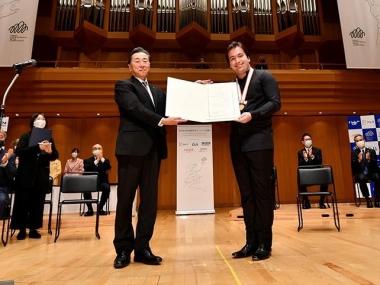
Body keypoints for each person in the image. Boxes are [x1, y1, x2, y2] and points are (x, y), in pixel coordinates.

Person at [113, 47, 185, 269]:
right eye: (137, 61)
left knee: (149, 203)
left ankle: (143, 248)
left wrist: (196, 89)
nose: (142, 64)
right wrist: (162, 121)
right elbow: (134, 109)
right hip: (131, 150)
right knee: (125, 201)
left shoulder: (157, 91)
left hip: (153, 152)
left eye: (145, 60)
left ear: (150, 65)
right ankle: (123, 250)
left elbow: (175, 101)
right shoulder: (124, 86)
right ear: (130, 66)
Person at [225, 41, 281, 261]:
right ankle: (251, 242)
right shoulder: (229, 87)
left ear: (248, 58)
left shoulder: (264, 78)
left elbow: (276, 103)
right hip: (237, 145)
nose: (237, 61)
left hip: (259, 143)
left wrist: (254, 114)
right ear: (229, 64)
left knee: (262, 194)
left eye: (240, 56)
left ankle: (265, 243)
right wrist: (205, 90)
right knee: (246, 195)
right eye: (232, 58)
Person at [11, 113, 59, 239]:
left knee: (37, 203)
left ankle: (33, 228)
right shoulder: (26, 136)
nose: (41, 120)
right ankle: (21, 229)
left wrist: (49, 152)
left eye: (43, 118)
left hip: (41, 176)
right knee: (22, 202)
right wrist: (37, 148)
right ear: (33, 121)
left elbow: (55, 155)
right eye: (38, 118)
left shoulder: (48, 137)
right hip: (25, 175)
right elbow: (19, 152)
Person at [297, 133, 327, 209]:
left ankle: (321, 202)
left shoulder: (317, 150)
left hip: (317, 173)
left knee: (325, 181)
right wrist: (306, 158)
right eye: (306, 139)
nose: (308, 141)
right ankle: (306, 202)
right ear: (302, 142)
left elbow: (320, 162)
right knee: (300, 180)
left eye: (309, 139)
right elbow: (300, 165)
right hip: (307, 175)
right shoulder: (300, 152)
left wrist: (312, 157)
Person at [351, 134, 380, 208]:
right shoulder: (354, 153)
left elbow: (375, 165)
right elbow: (353, 166)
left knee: (377, 177)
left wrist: (368, 159)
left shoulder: (371, 151)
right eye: (357, 141)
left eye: (360, 140)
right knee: (361, 178)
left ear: (364, 140)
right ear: (355, 143)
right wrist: (359, 160)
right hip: (361, 173)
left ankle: (377, 199)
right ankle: (368, 199)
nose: (359, 142)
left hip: (371, 172)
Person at [83, 144, 111, 216]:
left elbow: (108, 167)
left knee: (107, 187)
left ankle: (100, 208)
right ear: (92, 151)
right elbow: (87, 168)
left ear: (102, 150)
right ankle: (90, 209)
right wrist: (97, 160)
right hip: (90, 183)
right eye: (95, 148)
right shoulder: (87, 160)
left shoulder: (105, 160)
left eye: (99, 148)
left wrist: (101, 159)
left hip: (102, 182)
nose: (97, 150)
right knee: (85, 189)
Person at [0, 131, 17, 220]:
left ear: (4, 139)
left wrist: (5, 163)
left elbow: (13, 172)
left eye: (1, 137)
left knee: (1, 200)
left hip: (2, 188)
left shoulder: (10, 155)